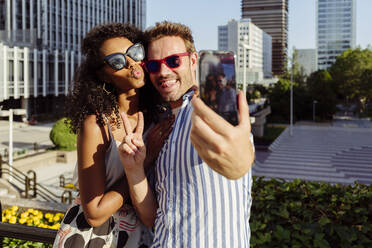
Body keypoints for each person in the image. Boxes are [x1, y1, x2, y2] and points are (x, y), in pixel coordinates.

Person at [53, 23, 172, 248]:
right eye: (117, 61)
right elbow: (95, 213)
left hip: (144, 235)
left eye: (135, 52)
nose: (131, 63)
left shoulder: (161, 118)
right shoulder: (97, 124)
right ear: (104, 75)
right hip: (95, 237)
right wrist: (144, 161)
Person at [143, 21, 255, 247]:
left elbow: (239, 156)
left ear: (193, 60)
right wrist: (139, 164)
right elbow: (153, 216)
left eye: (173, 61)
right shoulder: (157, 128)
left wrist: (240, 162)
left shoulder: (211, 112)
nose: (163, 72)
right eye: (154, 66)